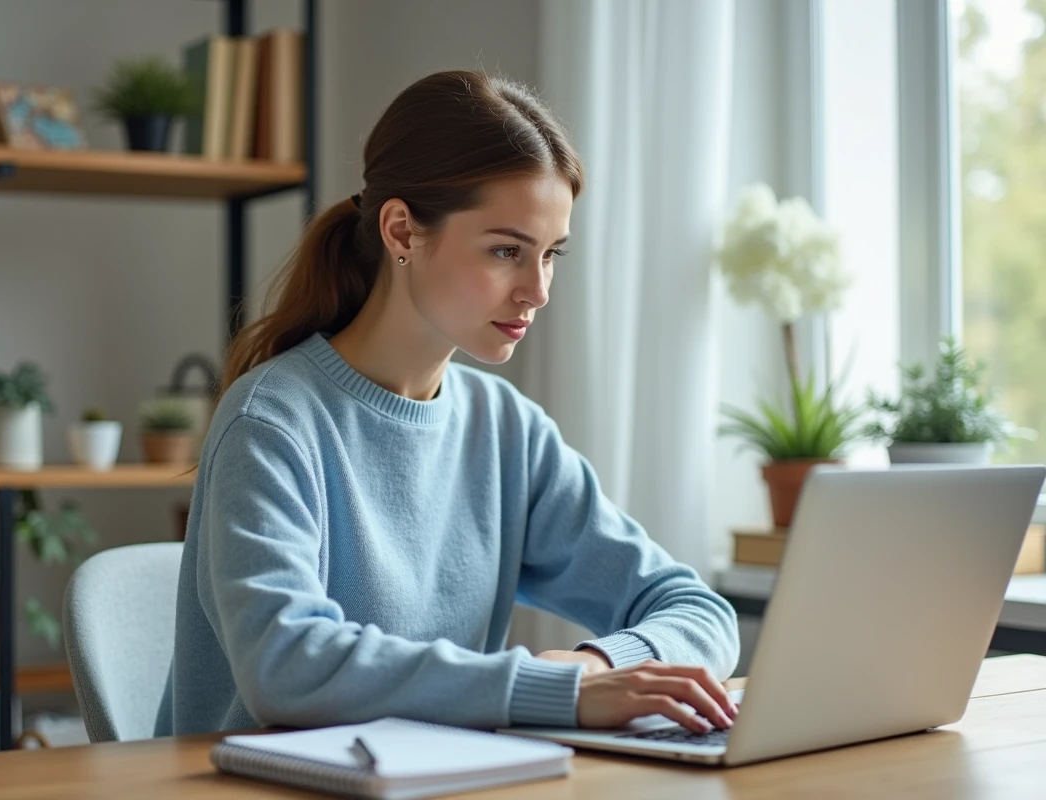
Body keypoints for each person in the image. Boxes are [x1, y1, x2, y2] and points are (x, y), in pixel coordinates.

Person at [155, 69, 740, 739]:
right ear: (402, 231)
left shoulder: (508, 430)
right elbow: (285, 667)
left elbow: (698, 610)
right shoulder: (271, 420)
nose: (537, 290)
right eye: (506, 251)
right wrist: (555, 690)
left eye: (551, 255)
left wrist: (601, 663)